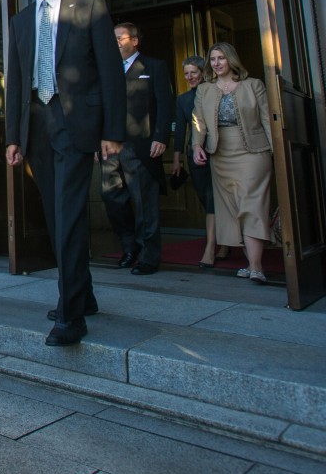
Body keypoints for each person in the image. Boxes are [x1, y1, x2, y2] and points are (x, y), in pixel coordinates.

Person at [5, 0, 125, 346]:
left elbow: (111, 70)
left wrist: (113, 131)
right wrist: (13, 137)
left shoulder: (89, 6)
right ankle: (84, 295)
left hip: (76, 123)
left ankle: (71, 315)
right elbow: (16, 80)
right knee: (57, 217)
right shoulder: (20, 20)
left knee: (70, 213)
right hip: (37, 125)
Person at [192, 42, 273, 284]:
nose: (216, 63)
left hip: (253, 151)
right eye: (213, 59)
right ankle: (251, 264)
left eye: (221, 58)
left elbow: (268, 119)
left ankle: (257, 267)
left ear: (231, 60)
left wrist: (278, 152)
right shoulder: (204, 90)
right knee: (234, 210)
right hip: (221, 154)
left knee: (251, 205)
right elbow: (198, 122)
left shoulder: (253, 85)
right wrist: (197, 145)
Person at [100, 23, 173, 276]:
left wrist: (161, 137)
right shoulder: (107, 70)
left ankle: (148, 256)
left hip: (141, 145)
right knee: (112, 198)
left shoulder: (154, 67)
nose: (116, 42)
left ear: (135, 40)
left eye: (120, 38)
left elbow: (165, 104)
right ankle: (129, 247)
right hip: (111, 146)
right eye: (113, 38)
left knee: (144, 204)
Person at [172, 56, 225, 267]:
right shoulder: (183, 99)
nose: (190, 77)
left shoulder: (216, 91)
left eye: (194, 72)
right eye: (186, 73)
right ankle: (223, 240)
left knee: (215, 198)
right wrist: (177, 160)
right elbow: (180, 132)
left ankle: (211, 247)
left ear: (203, 71)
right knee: (205, 197)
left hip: (218, 152)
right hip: (194, 154)